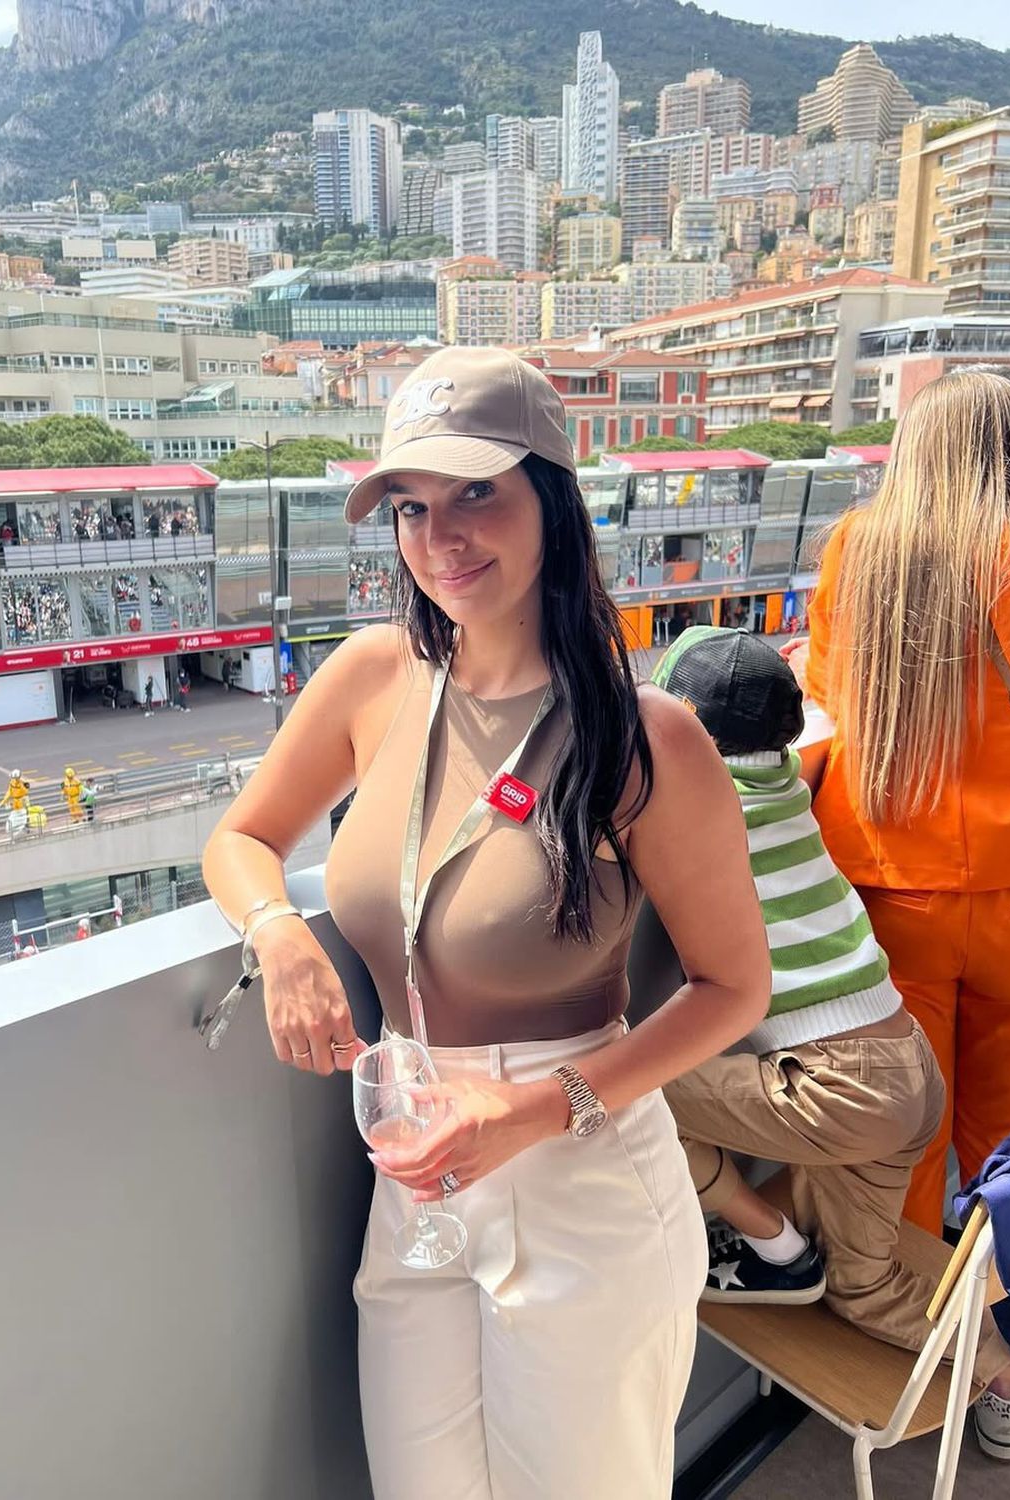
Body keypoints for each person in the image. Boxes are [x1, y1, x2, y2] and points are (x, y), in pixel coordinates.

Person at [202, 346, 771, 1500]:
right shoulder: (372, 677)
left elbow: (733, 988)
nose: (442, 536)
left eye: (476, 492)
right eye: (412, 507)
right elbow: (242, 837)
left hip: (581, 1168)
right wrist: (279, 935)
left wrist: (541, 1107)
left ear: (551, 499)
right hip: (416, 1175)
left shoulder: (644, 737)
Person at [652, 626, 1010, 1454]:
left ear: (684, 726)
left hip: (845, 1084)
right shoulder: (783, 782)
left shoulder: (695, 804)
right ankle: (1007, 1367)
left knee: (626, 1090)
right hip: (903, 1065)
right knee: (864, 1289)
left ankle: (772, 1243)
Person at [801, 367, 1010, 1237]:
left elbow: (824, 709)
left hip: (890, 888)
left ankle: (904, 1302)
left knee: (904, 1134)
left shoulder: (862, 550)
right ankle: (1002, 1307)